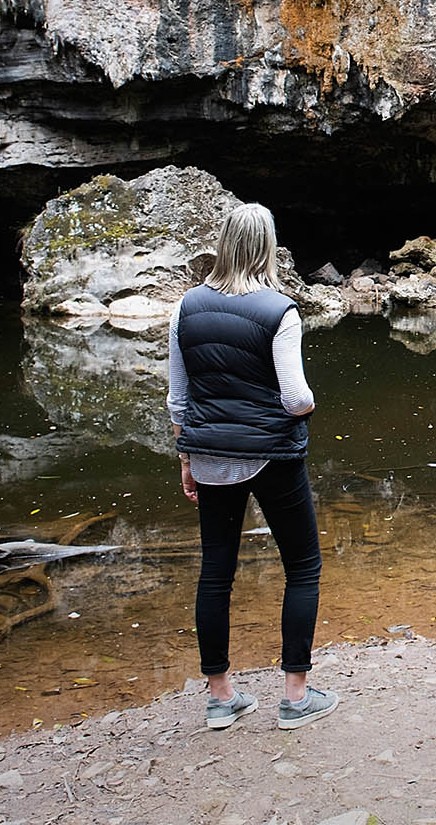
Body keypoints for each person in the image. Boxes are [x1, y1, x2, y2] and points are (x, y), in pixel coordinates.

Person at [166, 202, 339, 731]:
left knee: (216, 572)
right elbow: (295, 398)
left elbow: (179, 398)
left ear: (222, 243)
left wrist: (187, 457)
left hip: (211, 454)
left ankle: (221, 699)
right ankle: (295, 697)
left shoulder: (185, 308)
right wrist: (310, 404)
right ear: (267, 245)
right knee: (303, 567)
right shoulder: (279, 311)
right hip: (271, 456)